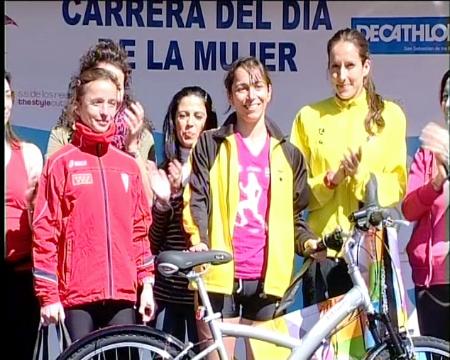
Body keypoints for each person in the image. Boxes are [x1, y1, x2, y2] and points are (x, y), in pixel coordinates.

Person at [183, 56, 316, 359]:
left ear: (270, 91)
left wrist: (308, 242)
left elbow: (295, 217)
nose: (250, 96)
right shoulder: (210, 144)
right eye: (241, 88)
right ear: (230, 96)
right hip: (217, 273)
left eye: (257, 86)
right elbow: (196, 200)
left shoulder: (289, 154)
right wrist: (199, 243)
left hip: (269, 281)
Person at [32, 68, 155, 342]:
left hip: (123, 294)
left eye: (112, 104)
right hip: (77, 296)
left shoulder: (127, 166)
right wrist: (48, 295)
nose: (105, 112)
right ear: (77, 106)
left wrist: (146, 284)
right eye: (96, 102)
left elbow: (140, 231)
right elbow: (45, 232)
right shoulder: (60, 163)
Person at [290, 28, 407, 307]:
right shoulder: (308, 117)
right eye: (335, 67)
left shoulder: (389, 115)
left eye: (350, 66)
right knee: (326, 349)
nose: (342, 76)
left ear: (366, 67)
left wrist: (360, 178)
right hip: (323, 254)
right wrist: (330, 181)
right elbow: (296, 193)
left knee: (374, 346)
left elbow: (397, 185)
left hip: (371, 253)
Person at [147, 86, 217, 345]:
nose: (189, 124)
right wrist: (166, 202)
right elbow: (153, 243)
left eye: (198, 116)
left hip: (208, 290)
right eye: (183, 115)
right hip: (171, 292)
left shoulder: (220, 169)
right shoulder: (164, 170)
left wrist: (189, 189)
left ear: (209, 121)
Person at [46, 39, 156, 204]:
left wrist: (132, 150)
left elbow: (147, 203)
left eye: (116, 86)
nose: (108, 91)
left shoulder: (141, 137)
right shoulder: (63, 135)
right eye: (101, 80)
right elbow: (51, 198)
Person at [402, 69, 449, 341]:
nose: (449, 102)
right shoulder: (427, 153)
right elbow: (409, 210)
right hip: (431, 282)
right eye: (445, 96)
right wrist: (435, 184)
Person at [5, 71, 43, 360]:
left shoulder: (28, 154)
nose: (4, 104)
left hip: (18, 279)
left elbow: (39, 227)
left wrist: (33, 206)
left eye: (7, 96)